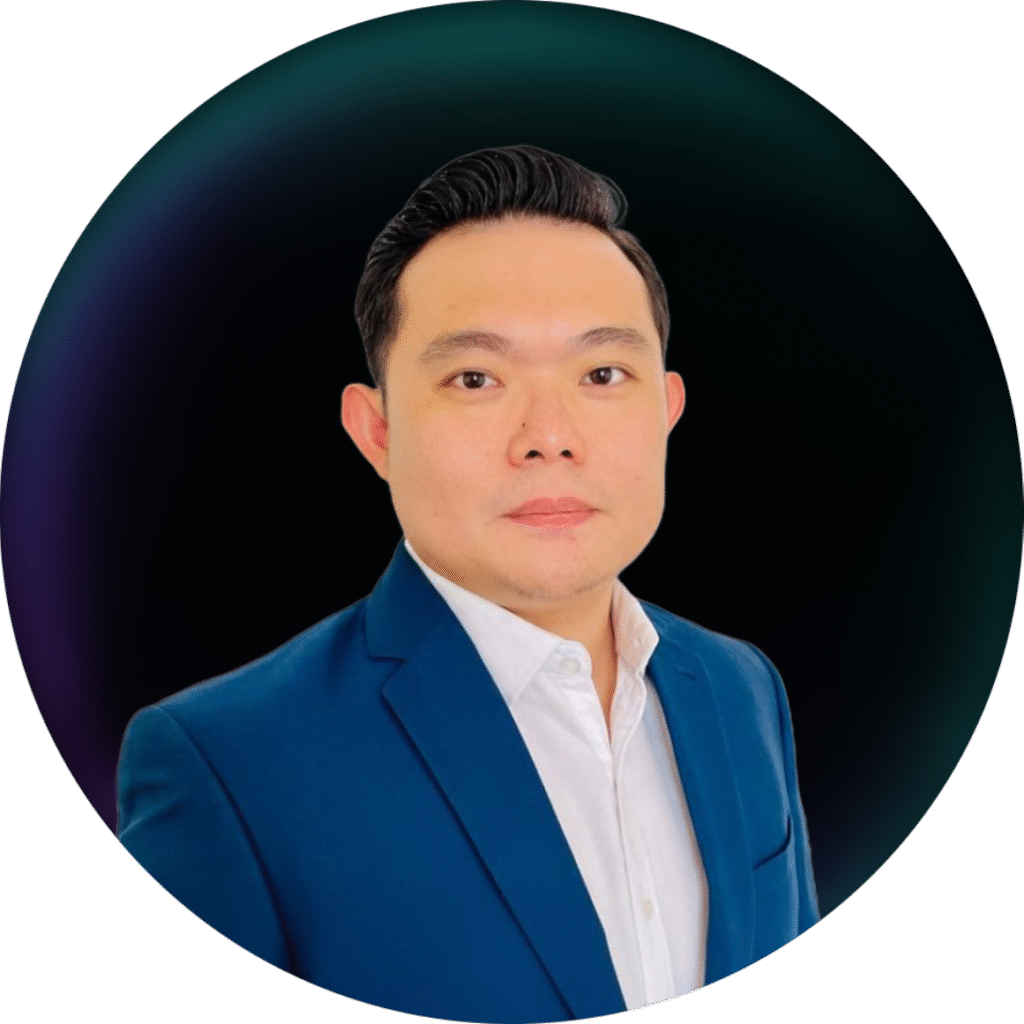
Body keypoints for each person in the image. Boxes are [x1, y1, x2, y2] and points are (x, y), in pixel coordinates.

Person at [116, 145, 818, 1023]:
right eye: (476, 378)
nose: (549, 436)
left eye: (603, 374)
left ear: (666, 411)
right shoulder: (224, 766)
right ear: (376, 432)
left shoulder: (741, 688)